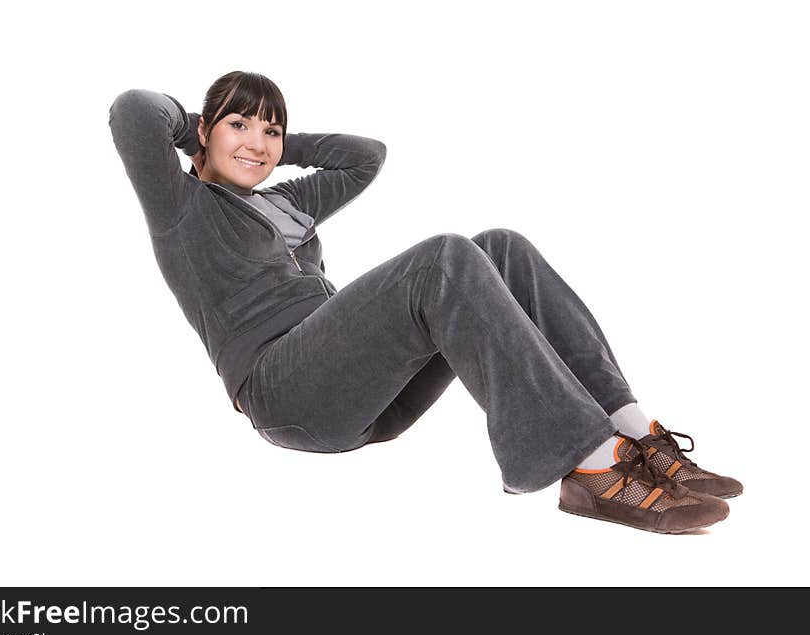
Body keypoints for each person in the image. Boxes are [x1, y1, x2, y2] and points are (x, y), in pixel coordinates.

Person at [109, 71, 742, 534]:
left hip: (361, 392)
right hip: (285, 392)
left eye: (271, 131)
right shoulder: (181, 206)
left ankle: (632, 435)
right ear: (202, 131)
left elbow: (365, 159)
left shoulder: (287, 205)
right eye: (239, 125)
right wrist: (203, 126)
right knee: (442, 256)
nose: (258, 142)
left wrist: (278, 145)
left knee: (499, 246)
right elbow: (133, 109)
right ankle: (590, 468)